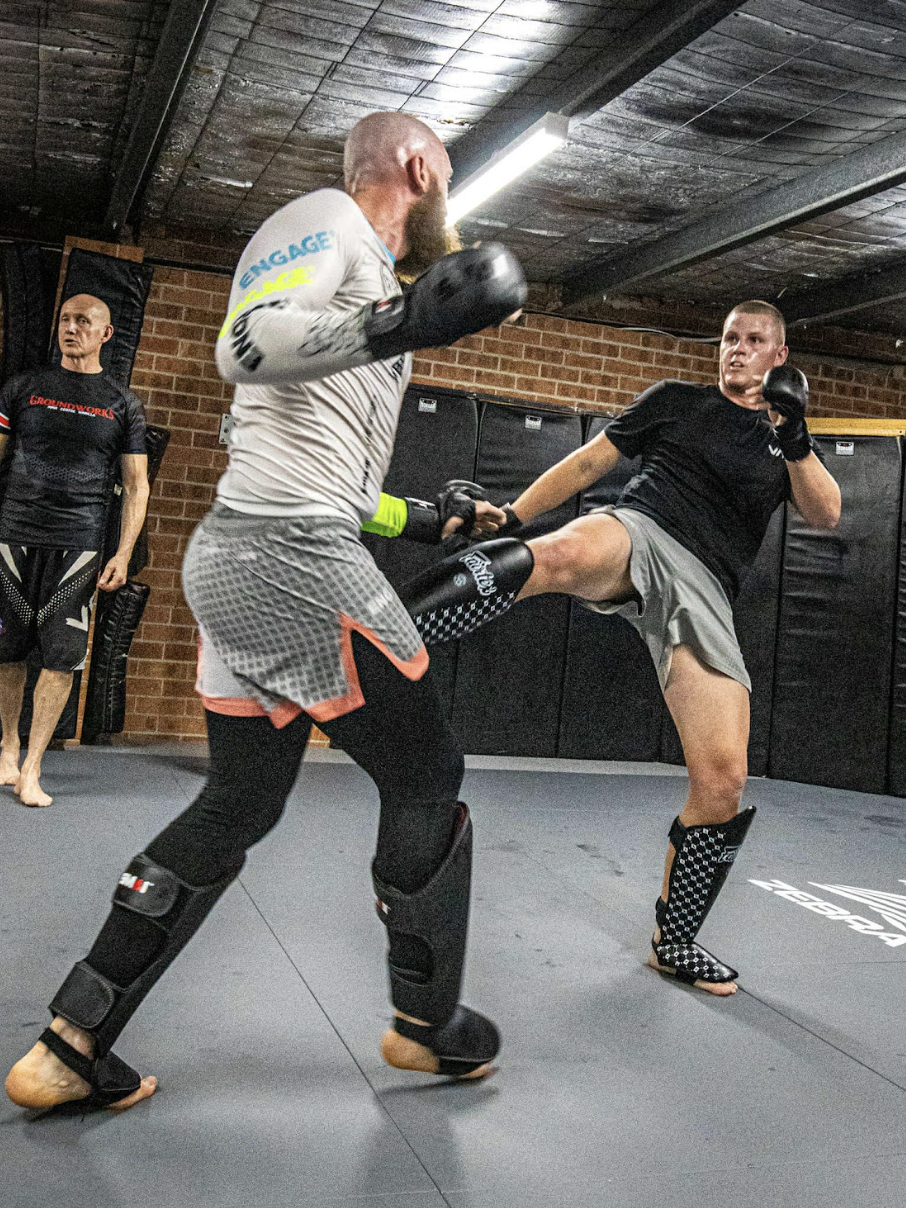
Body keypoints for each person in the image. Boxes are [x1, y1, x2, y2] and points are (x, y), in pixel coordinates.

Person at [6, 111, 524, 1113]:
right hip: (288, 557)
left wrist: (429, 518)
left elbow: (327, 471)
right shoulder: (328, 219)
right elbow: (244, 346)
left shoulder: (369, 285)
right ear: (418, 166)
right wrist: (401, 324)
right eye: (449, 171)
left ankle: (70, 1043)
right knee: (427, 770)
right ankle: (426, 1024)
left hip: (256, 551)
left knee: (242, 800)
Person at [399, 301, 842, 996]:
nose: (737, 349)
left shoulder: (785, 440)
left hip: (706, 590)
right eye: (730, 338)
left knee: (723, 777)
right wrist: (511, 515)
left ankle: (676, 942)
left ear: (779, 355)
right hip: (642, 527)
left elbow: (826, 511)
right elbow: (587, 463)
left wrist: (794, 434)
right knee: (560, 553)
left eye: (754, 340)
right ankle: (391, 631)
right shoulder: (675, 402)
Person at [0, 295, 149, 808]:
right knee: (7, 650)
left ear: (105, 333)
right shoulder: (23, 389)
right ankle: (8, 745)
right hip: (14, 533)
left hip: (79, 543)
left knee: (61, 656)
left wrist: (123, 553)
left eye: (83, 321)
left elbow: (137, 485)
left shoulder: (122, 404)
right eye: (65, 319)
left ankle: (33, 768)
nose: (71, 328)